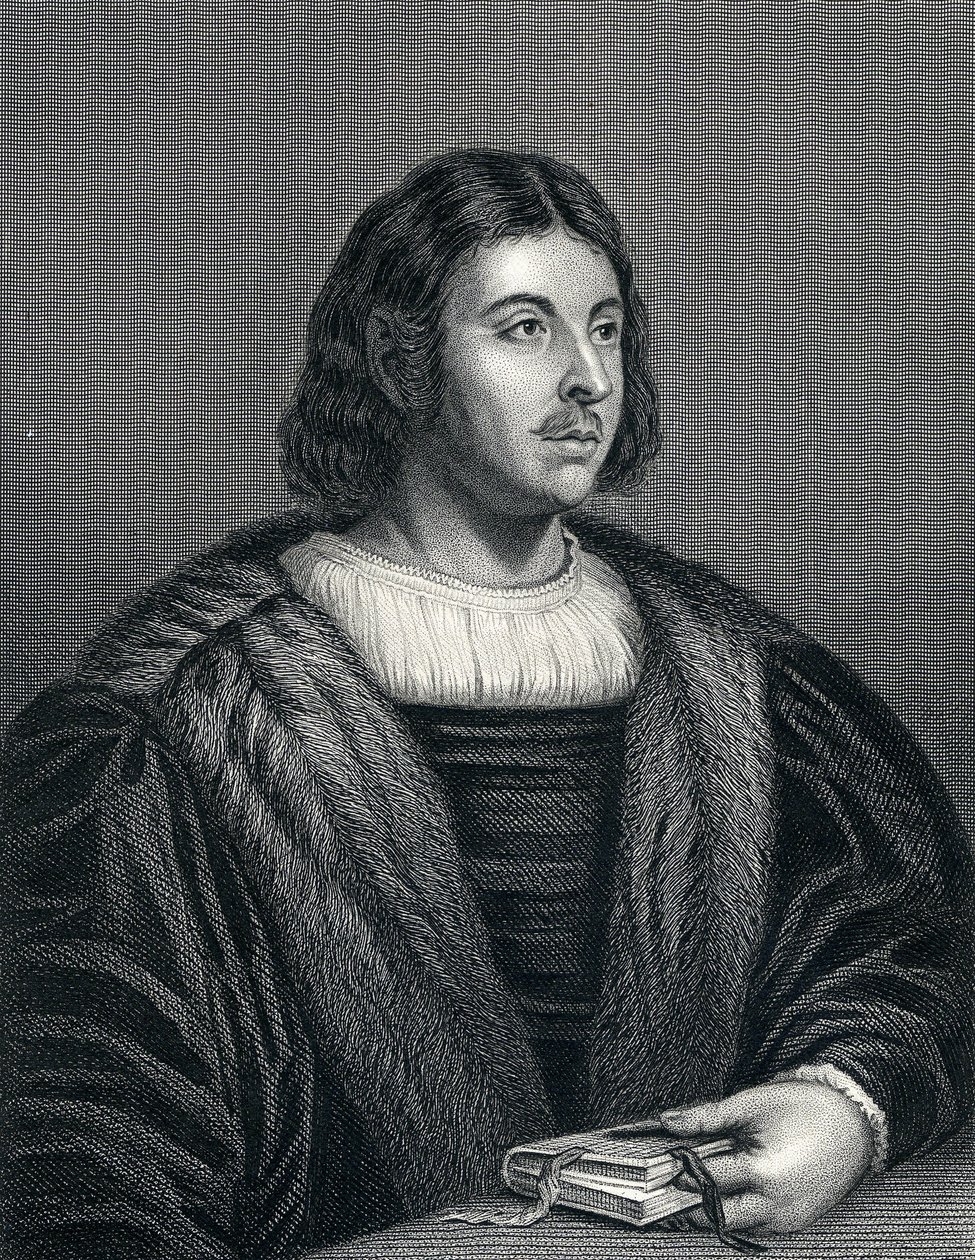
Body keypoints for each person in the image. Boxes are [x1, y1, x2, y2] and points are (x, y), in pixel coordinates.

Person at [1, 148, 971, 1259]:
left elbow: (913, 951)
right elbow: (92, 1145)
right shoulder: (164, 725)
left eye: (605, 330)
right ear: (399, 360)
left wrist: (844, 1103)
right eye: (525, 329)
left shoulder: (748, 681)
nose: (588, 380)